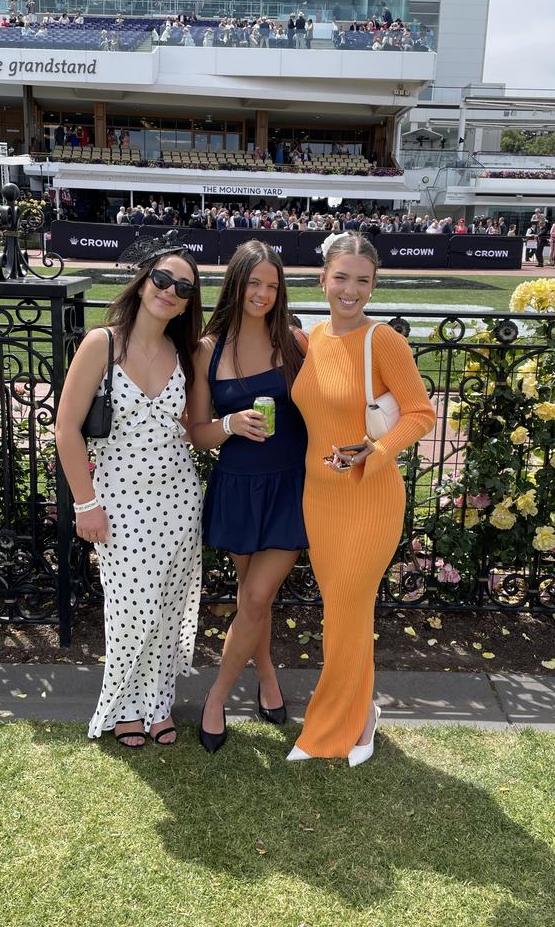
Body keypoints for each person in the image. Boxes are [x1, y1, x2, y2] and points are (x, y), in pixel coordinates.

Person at [287, 232, 435, 765]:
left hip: (369, 497)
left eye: (363, 280)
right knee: (343, 612)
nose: (351, 289)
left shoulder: (384, 340)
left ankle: (328, 729)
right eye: (342, 277)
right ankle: (364, 711)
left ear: (373, 286)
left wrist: (374, 450)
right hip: (319, 498)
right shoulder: (313, 336)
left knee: (349, 607)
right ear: (323, 279)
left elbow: (420, 413)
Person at [56, 233, 204, 748]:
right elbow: (65, 428)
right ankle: (122, 705)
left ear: (189, 302)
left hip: (179, 499)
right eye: (162, 279)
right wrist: (86, 504)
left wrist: (230, 427)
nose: (170, 290)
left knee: (165, 609)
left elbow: (188, 427)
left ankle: (157, 704)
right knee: (128, 610)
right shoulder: (104, 342)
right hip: (118, 501)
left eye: (183, 287)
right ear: (143, 283)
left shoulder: (183, 352)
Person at [188, 241, 308, 753]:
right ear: (235, 283)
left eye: (272, 286)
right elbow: (197, 432)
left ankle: (215, 698)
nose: (262, 294)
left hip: (291, 487)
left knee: (257, 597)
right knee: (250, 600)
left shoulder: (297, 342)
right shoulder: (207, 347)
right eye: (254, 283)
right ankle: (267, 679)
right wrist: (230, 423)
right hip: (238, 486)